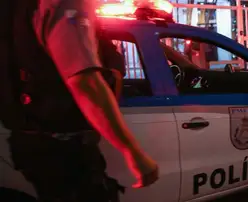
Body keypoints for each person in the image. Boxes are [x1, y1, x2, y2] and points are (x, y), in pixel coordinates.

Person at [5, 0, 159, 201]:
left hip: (29, 138)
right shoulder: (66, 3)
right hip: (64, 150)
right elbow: (86, 82)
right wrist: (133, 152)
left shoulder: (19, 8)